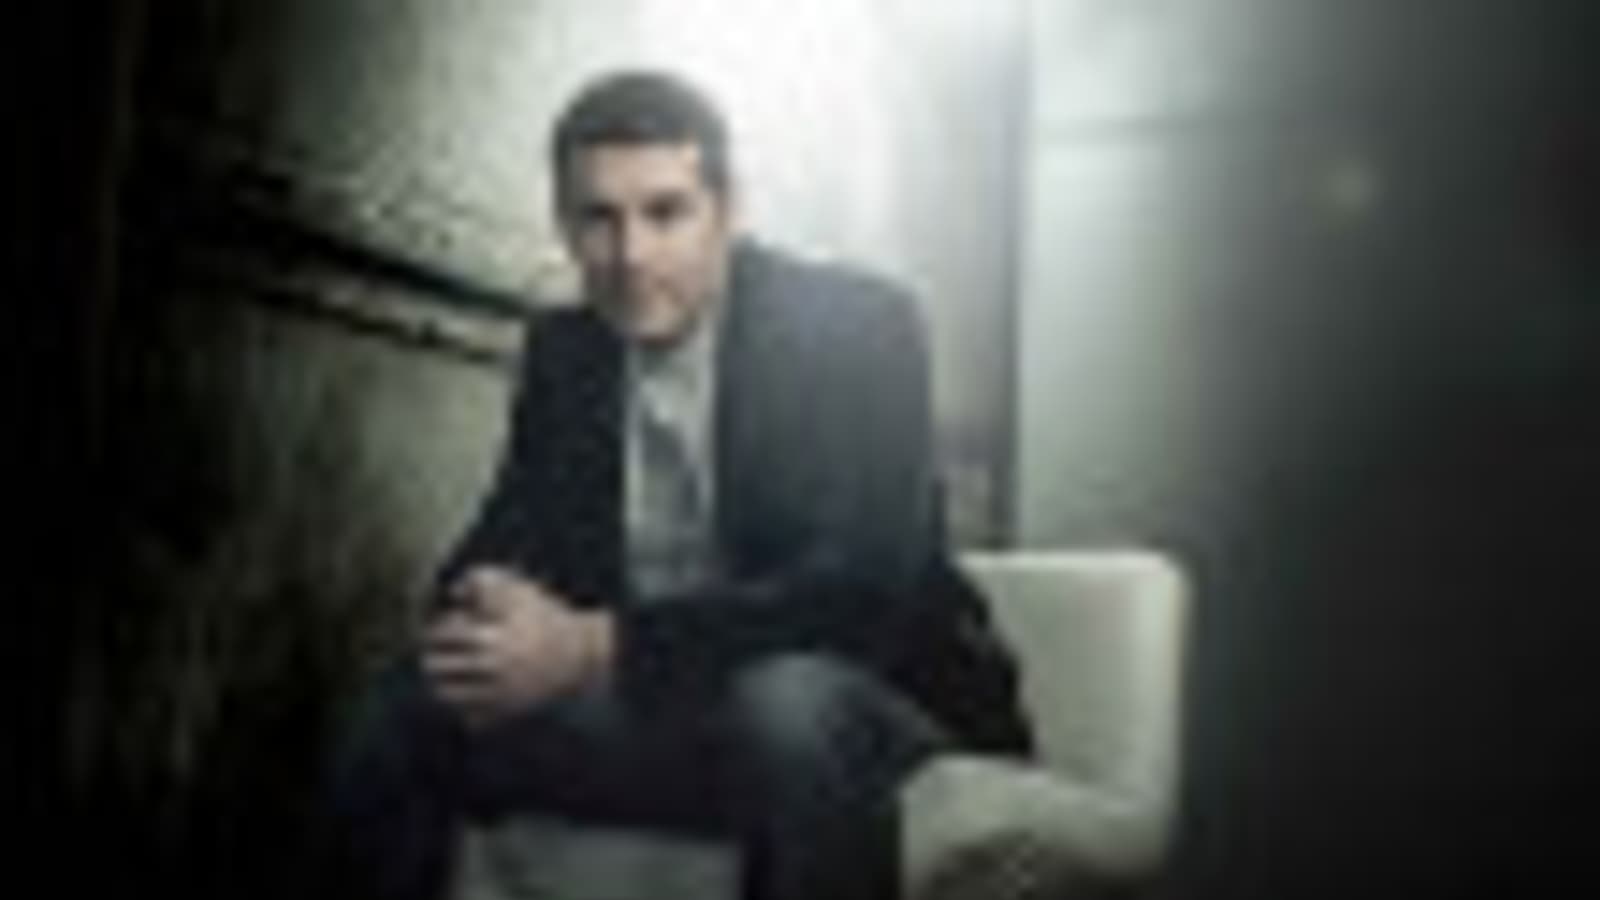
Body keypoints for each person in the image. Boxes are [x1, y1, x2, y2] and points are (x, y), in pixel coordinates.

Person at [319, 70, 1031, 900]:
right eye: (598, 219)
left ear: (728, 212)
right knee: (416, 699)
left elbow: (859, 598)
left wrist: (592, 643)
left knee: (788, 706)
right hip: (669, 710)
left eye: (665, 213)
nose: (631, 255)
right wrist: (485, 611)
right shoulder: (566, 350)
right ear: (563, 225)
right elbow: (502, 537)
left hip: (877, 705)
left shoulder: (857, 326)